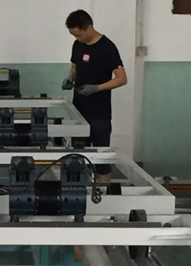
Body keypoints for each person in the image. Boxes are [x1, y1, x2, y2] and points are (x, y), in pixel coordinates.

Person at [62, 9, 127, 182]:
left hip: (99, 113)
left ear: (88, 27)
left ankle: (103, 195)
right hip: (79, 112)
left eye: (78, 34)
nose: (77, 38)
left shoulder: (107, 47)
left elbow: (122, 79)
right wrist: (70, 77)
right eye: (73, 36)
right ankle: (78, 193)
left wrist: (97, 88)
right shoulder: (77, 45)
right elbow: (74, 66)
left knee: (101, 161)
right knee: (77, 160)